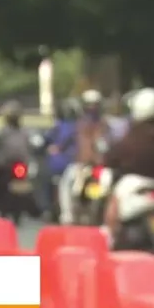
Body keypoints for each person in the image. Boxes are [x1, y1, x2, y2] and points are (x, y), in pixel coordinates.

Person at [101, 88, 154, 236]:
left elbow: (114, 155)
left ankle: (110, 234)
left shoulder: (134, 135)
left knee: (114, 197)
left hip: (135, 184)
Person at [58, 89, 109, 224]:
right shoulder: (80, 125)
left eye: (94, 105)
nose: (92, 108)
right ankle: (67, 215)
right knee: (66, 183)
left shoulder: (102, 125)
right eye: (90, 105)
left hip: (98, 167)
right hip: (82, 166)